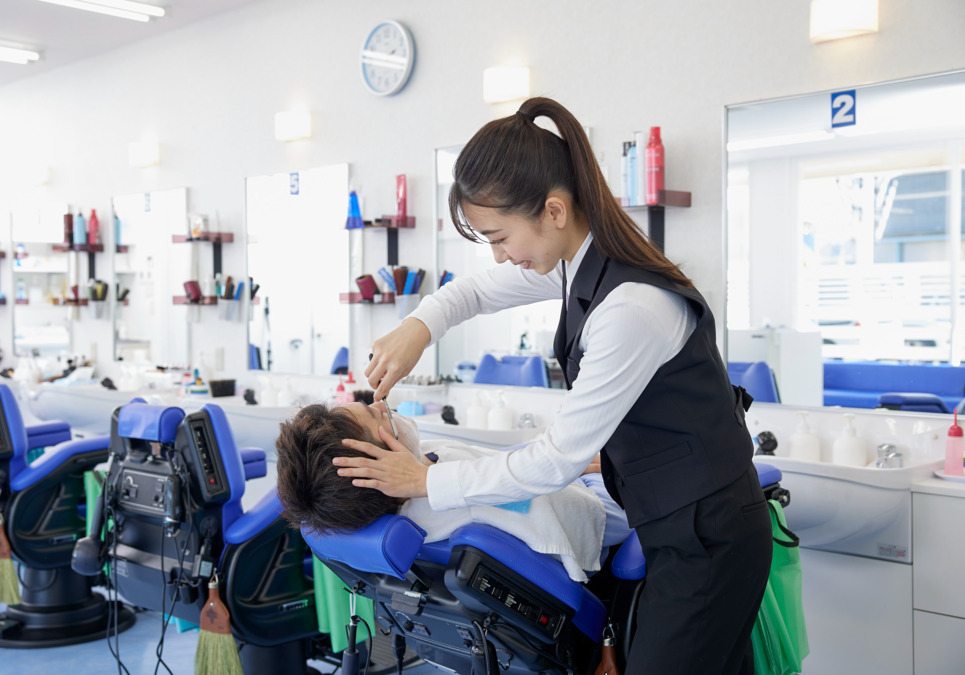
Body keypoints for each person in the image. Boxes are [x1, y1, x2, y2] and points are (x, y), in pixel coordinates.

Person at [333, 97, 773, 674]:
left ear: (555, 211)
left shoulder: (631, 306)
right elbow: (477, 292)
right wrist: (421, 324)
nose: (499, 256)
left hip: (707, 538)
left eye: (498, 236)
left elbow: (554, 460)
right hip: (675, 518)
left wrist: (425, 479)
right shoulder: (579, 265)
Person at [276, 400, 631, 582]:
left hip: (564, 487)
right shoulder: (466, 501)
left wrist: (565, 464)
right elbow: (588, 515)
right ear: (381, 465)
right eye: (375, 414)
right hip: (604, 514)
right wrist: (592, 471)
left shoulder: (413, 492)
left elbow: (493, 468)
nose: (383, 404)